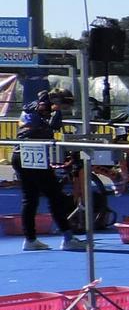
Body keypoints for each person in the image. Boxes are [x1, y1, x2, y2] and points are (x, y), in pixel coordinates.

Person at [11, 86, 78, 251]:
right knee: (55, 196)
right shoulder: (43, 109)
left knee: (30, 199)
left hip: (20, 154)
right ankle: (67, 237)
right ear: (56, 102)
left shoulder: (32, 106)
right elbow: (42, 130)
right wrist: (53, 120)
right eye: (62, 106)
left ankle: (30, 239)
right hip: (33, 155)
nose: (62, 109)